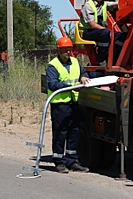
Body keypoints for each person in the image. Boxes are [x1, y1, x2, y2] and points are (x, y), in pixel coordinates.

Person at [45, 37, 90, 174]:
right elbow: (53, 84)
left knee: (74, 132)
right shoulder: (53, 65)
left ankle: (72, 160)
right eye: (64, 49)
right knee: (60, 132)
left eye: (69, 49)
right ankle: (59, 161)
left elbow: (83, 73)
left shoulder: (76, 62)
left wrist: (84, 76)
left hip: (74, 103)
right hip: (60, 104)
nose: (67, 51)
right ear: (58, 50)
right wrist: (71, 87)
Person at [79, 0, 126, 65]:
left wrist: (127, 2)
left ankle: (114, 61)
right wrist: (108, 32)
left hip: (99, 31)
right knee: (105, 33)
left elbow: (115, 4)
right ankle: (101, 59)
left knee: (122, 36)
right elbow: (92, 25)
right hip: (87, 32)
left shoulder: (104, 4)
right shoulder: (88, 6)